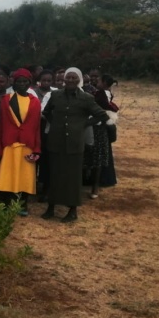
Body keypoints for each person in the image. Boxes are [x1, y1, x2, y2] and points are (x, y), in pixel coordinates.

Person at [42, 67, 109, 223]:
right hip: (56, 141)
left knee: (72, 177)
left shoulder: (86, 98)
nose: (70, 80)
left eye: (74, 78)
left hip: (75, 143)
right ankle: (51, 207)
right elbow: (46, 112)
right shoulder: (55, 95)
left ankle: (72, 210)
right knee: (55, 175)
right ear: (64, 79)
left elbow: (102, 115)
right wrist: (55, 124)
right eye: (68, 78)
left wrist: (83, 124)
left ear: (79, 80)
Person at [0, 69, 42, 216]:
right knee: (7, 174)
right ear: (14, 83)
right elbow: (2, 124)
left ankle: (22, 204)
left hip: (27, 144)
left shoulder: (35, 102)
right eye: (19, 81)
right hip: (9, 143)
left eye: (25, 81)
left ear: (29, 83)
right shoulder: (7, 99)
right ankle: (5, 204)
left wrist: (37, 148)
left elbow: (37, 126)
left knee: (25, 176)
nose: (22, 84)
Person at [94, 74, 119, 190]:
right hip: (107, 122)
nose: (96, 82)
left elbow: (100, 106)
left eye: (98, 80)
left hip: (101, 123)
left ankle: (102, 180)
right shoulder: (108, 92)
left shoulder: (101, 94)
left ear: (103, 83)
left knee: (100, 153)